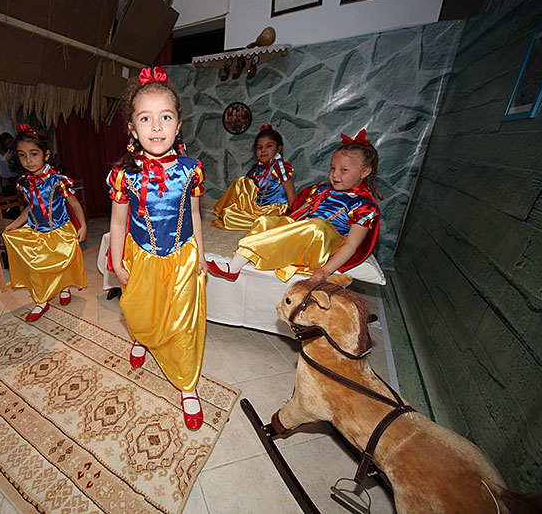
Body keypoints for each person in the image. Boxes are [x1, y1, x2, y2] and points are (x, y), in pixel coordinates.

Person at [107, 66, 208, 431]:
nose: (156, 127)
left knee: (184, 323)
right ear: (133, 130)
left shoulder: (192, 170)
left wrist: (200, 253)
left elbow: (194, 213)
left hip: (182, 258)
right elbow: (118, 222)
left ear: (178, 124)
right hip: (142, 255)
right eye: (145, 119)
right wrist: (117, 260)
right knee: (141, 310)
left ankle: (187, 384)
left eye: (165, 117)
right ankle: (140, 337)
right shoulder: (124, 175)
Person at [208, 129, 382, 283]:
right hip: (305, 232)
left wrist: (326, 270)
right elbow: (299, 213)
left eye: (343, 170)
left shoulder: (364, 206)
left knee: (316, 226)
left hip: (323, 242)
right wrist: (281, 225)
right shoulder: (322, 189)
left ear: (365, 172)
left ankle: (246, 260)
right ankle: (235, 265)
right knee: (266, 221)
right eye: (332, 168)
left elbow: (351, 245)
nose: (335, 175)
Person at [2, 124, 87, 321]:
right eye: (22, 155)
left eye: (34, 154)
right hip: (35, 231)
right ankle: (41, 300)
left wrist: (83, 225)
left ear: (46, 155)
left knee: (61, 263)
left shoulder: (58, 180)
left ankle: (64, 287)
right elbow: (30, 207)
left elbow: (74, 204)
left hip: (59, 230)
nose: (28, 160)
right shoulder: (24, 182)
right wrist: (15, 223)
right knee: (36, 266)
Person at [211, 124, 295, 230]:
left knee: (257, 222)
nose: (263, 150)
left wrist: (294, 217)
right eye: (259, 147)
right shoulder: (258, 169)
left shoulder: (280, 167)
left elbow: (291, 193)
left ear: (278, 149)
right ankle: (246, 215)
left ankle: (265, 222)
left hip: (274, 211)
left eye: (269, 146)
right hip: (259, 208)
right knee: (239, 188)